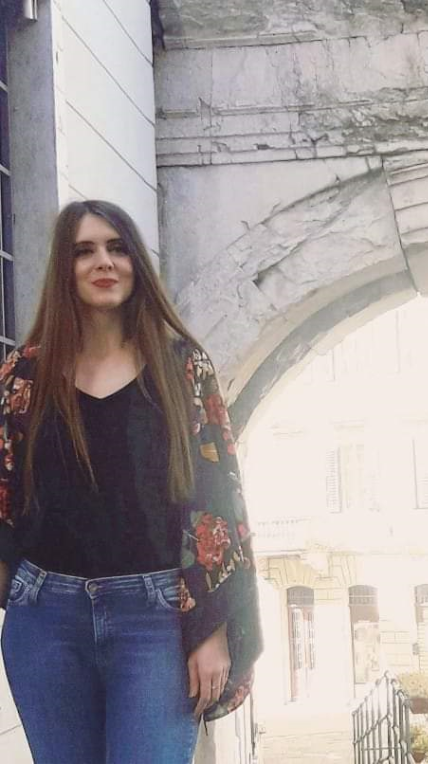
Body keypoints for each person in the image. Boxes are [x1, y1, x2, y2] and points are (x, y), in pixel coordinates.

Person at [0, 200, 262, 763]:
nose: (105, 262)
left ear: (136, 263)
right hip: (47, 618)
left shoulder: (182, 366)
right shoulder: (23, 375)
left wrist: (210, 626)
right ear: (63, 267)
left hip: (157, 620)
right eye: (85, 250)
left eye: (118, 248)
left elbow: (217, 495)